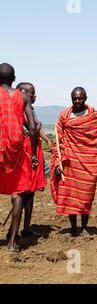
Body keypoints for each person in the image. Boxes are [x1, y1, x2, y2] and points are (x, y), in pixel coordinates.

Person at [50, 87, 97, 238]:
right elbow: (58, 141)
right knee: (70, 193)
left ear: (86, 98)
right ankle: (73, 228)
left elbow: (94, 139)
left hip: (88, 160)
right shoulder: (64, 116)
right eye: (74, 99)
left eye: (80, 98)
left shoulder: (93, 116)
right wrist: (58, 160)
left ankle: (84, 228)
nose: (77, 101)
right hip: (69, 160)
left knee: (86, 194)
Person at [0, 63, 39, 252]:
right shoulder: (23, 96)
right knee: (17, 196)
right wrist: (32, 153)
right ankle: (12, 242)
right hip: (17, 153)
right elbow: (31, 127)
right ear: (14, 78)